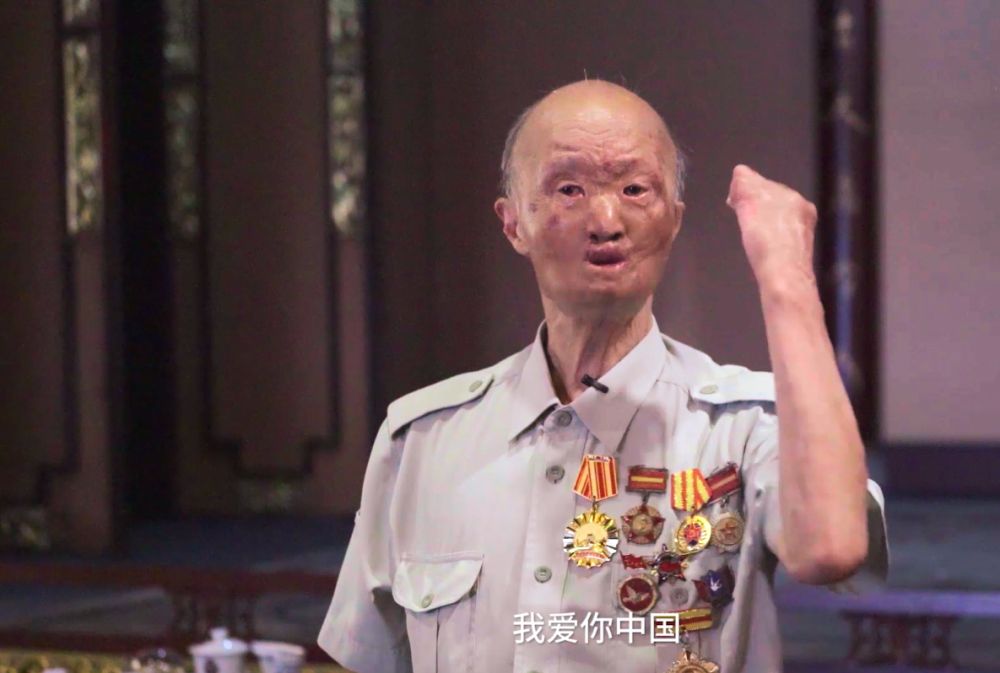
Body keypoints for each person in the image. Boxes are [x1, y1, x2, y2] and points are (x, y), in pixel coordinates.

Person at [318, 79, 888, 673]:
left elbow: (830, 548)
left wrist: (786, 277)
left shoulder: (743, 428)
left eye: (635, 189)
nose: (606, 220)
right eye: (569, 189)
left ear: (672, 221)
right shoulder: (422, 440)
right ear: (513, 224)